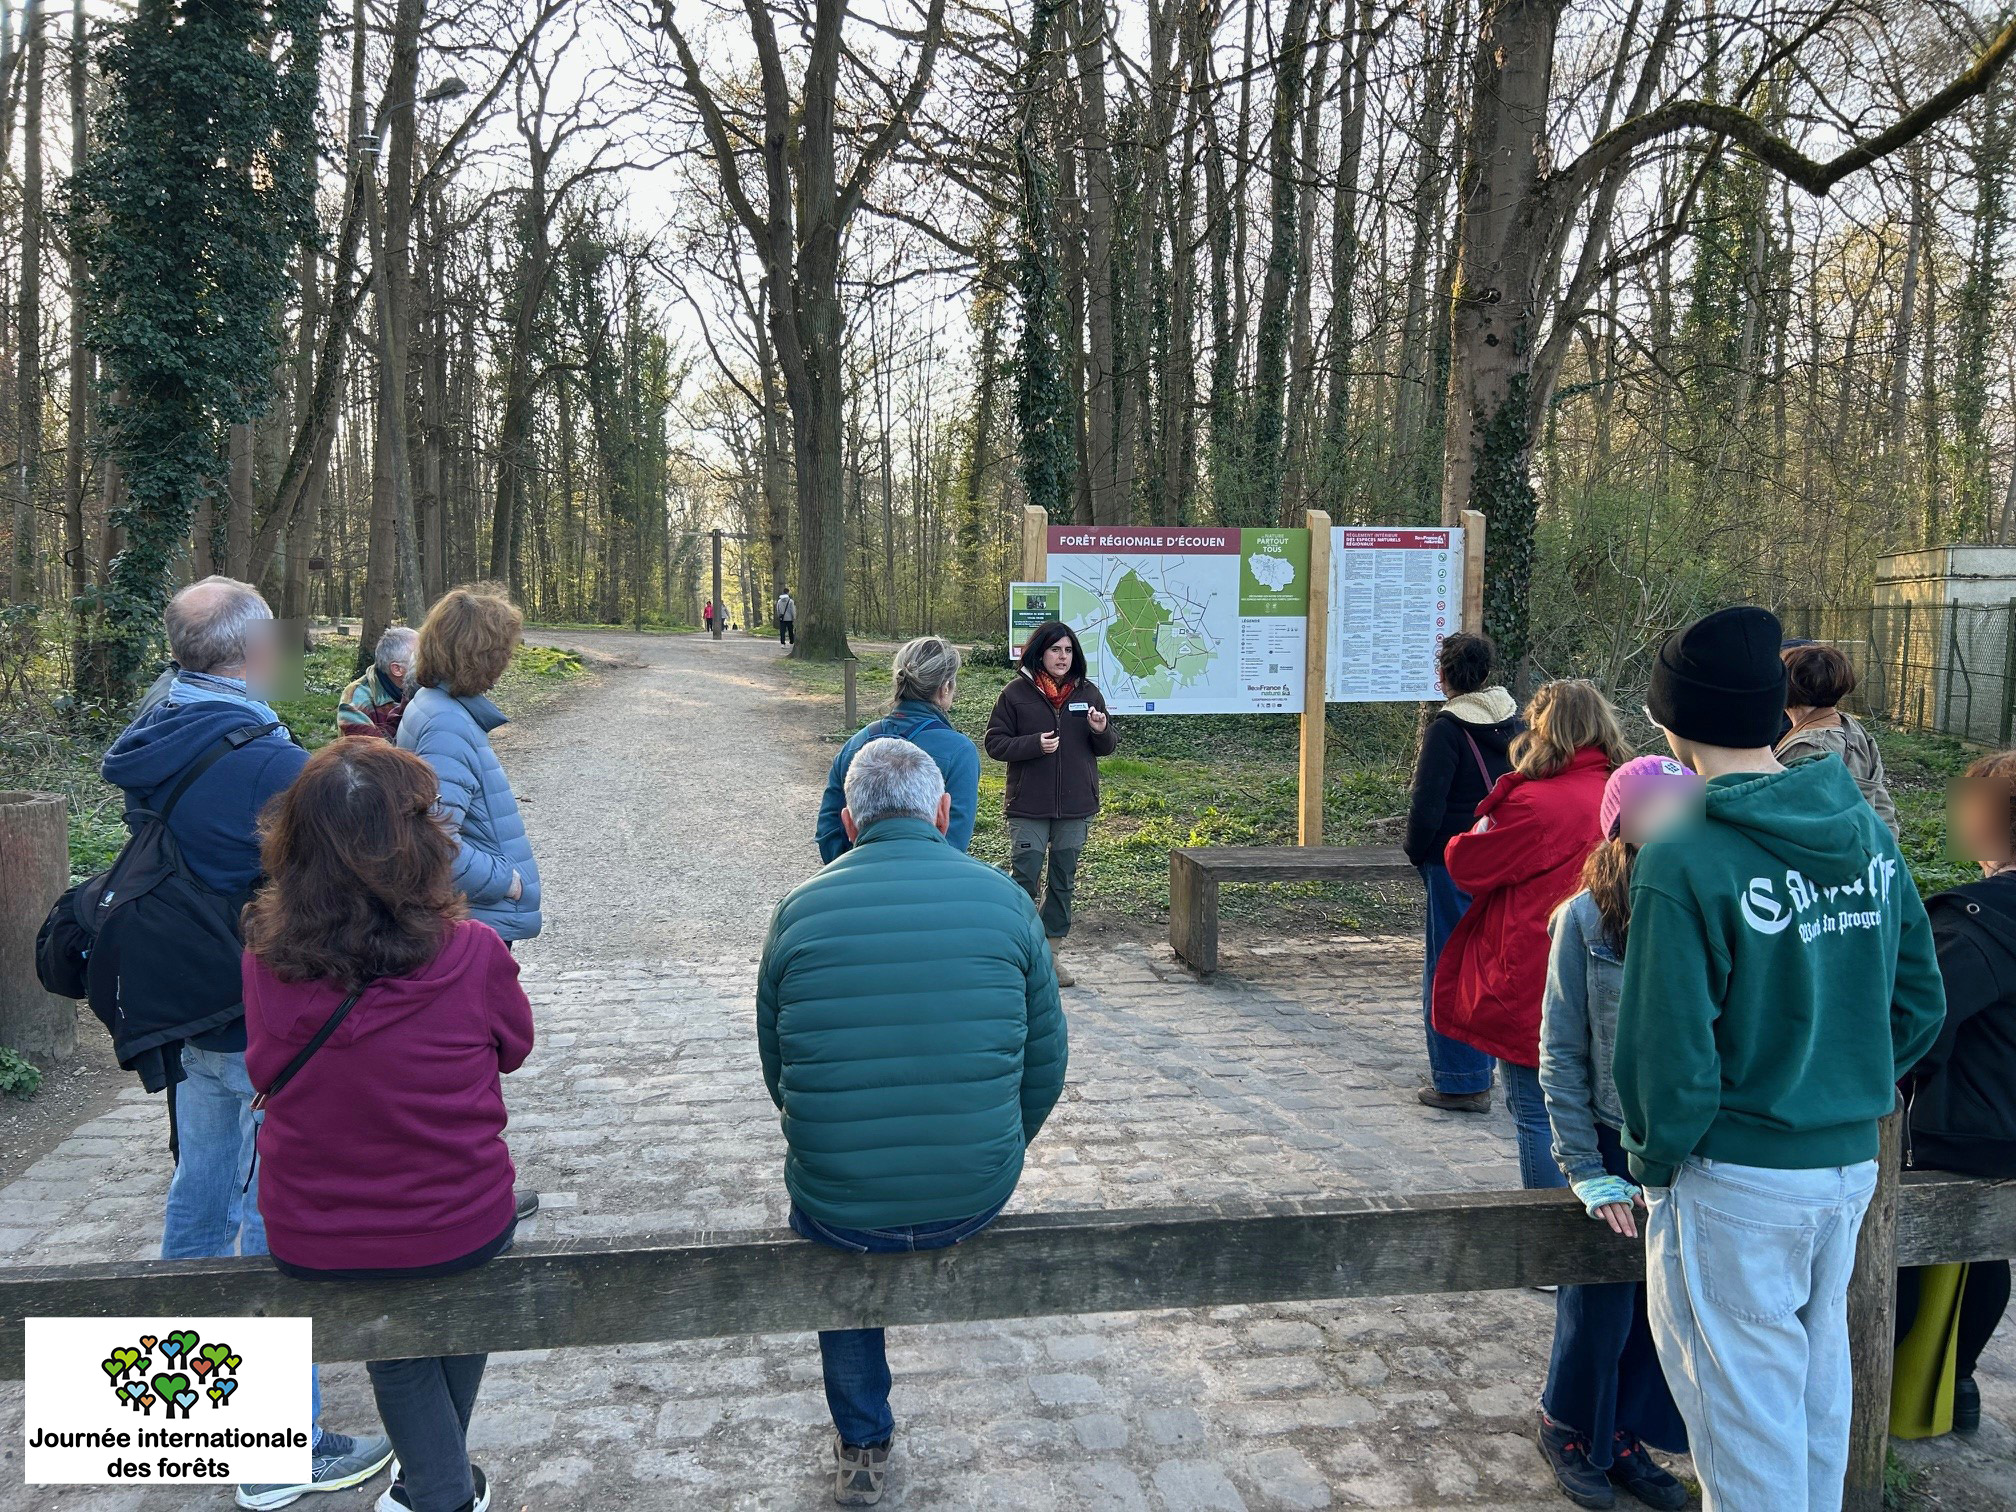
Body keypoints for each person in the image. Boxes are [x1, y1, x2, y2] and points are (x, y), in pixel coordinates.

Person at [1615, 605, 1946, 1512]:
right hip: (1847, 1166)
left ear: (1670, 722)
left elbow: (1666, 1053)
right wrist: (1842, 1083)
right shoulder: (1865, 828)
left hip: (1735, 1175)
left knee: (1744, 1427)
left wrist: (1654, 1162)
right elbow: (1920, 1001)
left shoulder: (1682, 857)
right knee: (1812, 1396)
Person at [98, 576, 391, 1510]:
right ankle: (273, 1453)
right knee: (273, 1210)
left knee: (199, 1196)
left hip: (180, 1003)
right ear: (255, 649)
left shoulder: (156, 729)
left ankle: (178, 1417)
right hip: (258, 1010)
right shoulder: (266, 759)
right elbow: (331, 885)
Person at [758, 737, 1066, 1507]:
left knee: (832, 1243)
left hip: (841, 1205)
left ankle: (862, 1439)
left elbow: (778, 1069)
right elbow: (1046, 1065)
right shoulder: (1006, 903)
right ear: (943, 811)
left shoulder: (799, 910)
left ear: (849, 823)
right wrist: (999, 1145)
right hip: (975, 1190)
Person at [244, 739, 532, 1512]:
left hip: (316, 1226)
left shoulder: (265, 958)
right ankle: (440, 1492)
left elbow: (264, 1066)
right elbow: (515, 1048)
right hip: (459, 1215)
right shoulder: (473, 952)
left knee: (396, 1329)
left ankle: (432, 1483)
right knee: (442, 1305)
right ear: (419, 842)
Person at [1535, 756, 1700, 1510]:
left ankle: (1623, 1433)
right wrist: (1582, 1165)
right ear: (1620, 825)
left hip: (1684, 1143)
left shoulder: (1706, 902)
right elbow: (1561, 1050)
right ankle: (1566, 1424)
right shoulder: (1584, 921)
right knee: (1598, 1306)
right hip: (1609, 1141)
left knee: (1658, 1306)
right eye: (1654, 808)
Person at [1435, 679, 1629, 1189]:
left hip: (1536, 971)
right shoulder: (1629, 790)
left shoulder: (1532, 803)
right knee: (1609, 1113)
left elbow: (1465, 863)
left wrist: (1502, 798)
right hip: (1617, 969)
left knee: (1539, 1113)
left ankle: (1553, 1225)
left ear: (1541, 729)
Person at [1891, 749, 2016, 1436]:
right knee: (1985, 1245)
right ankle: (1958, 1384)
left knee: (1904, 1252)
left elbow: (1918, 1023)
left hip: (1966, 1129)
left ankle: (1887, 1392)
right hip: (2002, 1128)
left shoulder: (1979, 921)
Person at [1404, 631, 1523, 1112]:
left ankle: (1460, 1080)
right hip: (1503, 855)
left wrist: (1418, 852)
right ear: (1487, 673)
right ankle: (1487, 1067)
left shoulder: (1447, 729)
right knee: (1490, 963)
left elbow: (1427, 802)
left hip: (1455, 859)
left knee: (1449, 967)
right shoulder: (1515, 722)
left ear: (1444, 676)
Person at [398, 587, 542, 945]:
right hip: (478, 918)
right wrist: (506, 882)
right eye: (502, 652)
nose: (507, 661)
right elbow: (435, 844)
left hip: (471, 915)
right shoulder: (447, 725)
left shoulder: (433, 704)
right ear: (479, 656)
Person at [983, 621, 1116, 988]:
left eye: (1068, 650)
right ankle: (1020, 952)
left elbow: (1107, 747)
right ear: (1040, 653)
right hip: (1028, 805)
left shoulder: (1088, 693)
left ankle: (1051, 955)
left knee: (1062, 880)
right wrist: (1033, 745)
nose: (1062, 657)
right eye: (1056, 649)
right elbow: (994, 743)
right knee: (1024, 878)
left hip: (1075, 806)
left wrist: (1101, 730)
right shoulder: (1014, 693)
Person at [816, 637, 979, 861]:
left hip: (857, 877)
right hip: (928, 879)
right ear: (945, 688)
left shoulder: (854, 745)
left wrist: (853, 870)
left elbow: (829, 832)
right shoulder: (960, 752)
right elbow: (955, 841)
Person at [1776, 642, 1899, 838]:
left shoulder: (1809, 748)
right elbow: (1881, 803)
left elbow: (1789, 823)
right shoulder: (1851, 728)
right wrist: (1885, 847)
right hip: (1860, 846)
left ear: (1789, 687)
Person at [339, 626, 418, 739]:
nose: (430, 661)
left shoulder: (427, 685)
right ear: (397, 669)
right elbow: (369, 748)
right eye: (420, 658)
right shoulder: (356, 700)